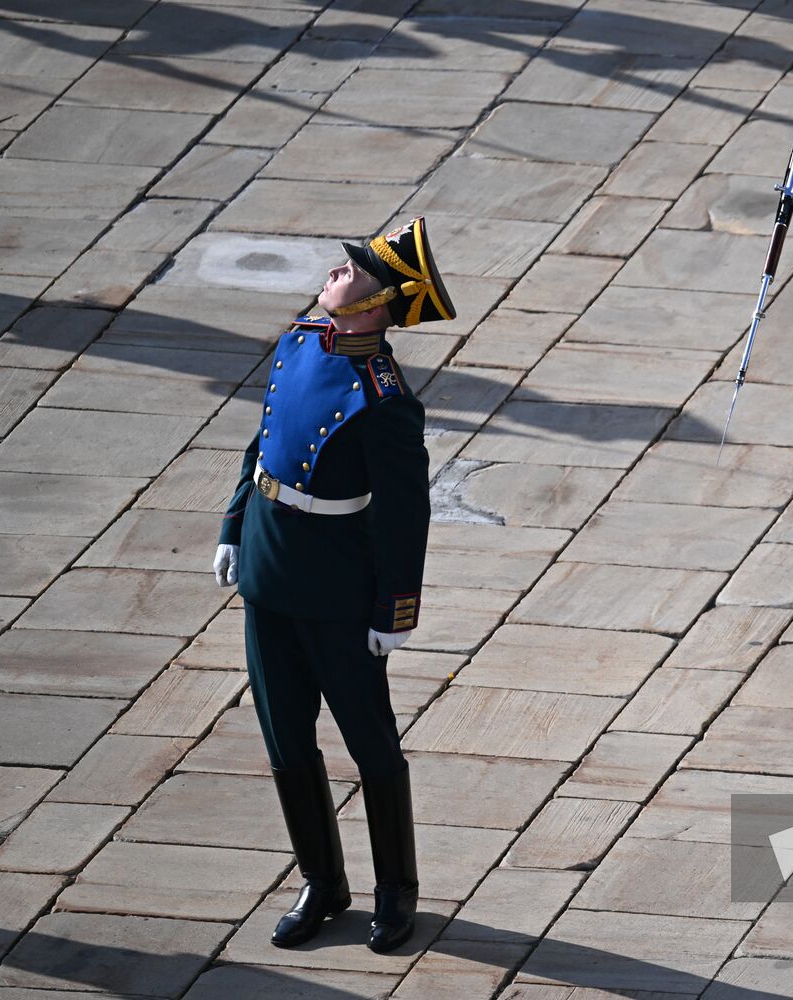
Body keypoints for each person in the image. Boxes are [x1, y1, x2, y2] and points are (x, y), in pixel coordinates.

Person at [212, 217, 453, 953]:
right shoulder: (299, 339)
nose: (335, 273)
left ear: (377, 305)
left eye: (351, 273)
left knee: (368, 742)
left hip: (337, 590)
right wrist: (233, 527)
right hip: (269, 565)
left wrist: (396, 608)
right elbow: (265, 440)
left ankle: (395, 891)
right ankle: (322, 881)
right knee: (285, 735)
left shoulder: (384, 398)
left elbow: (406, 513)